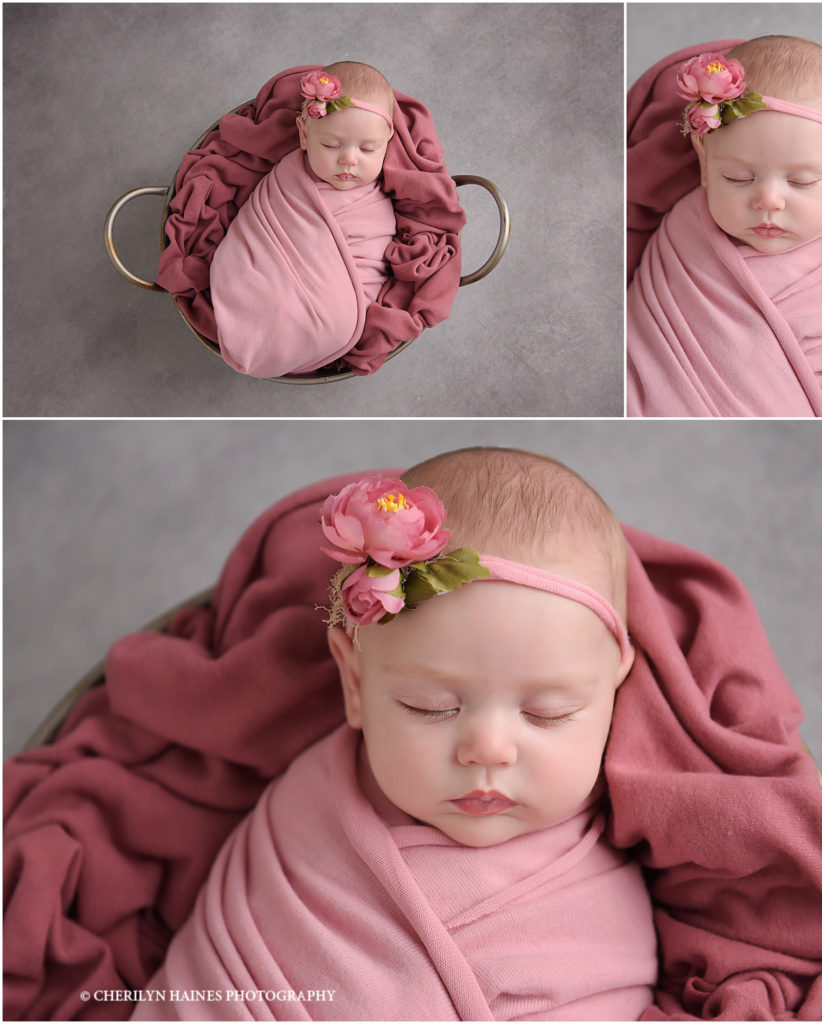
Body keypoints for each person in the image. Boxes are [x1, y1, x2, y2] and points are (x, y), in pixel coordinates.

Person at [132, 448, 660, 1020]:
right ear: (355, 682)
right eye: (429, 707)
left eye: (548, 713)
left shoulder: (598, 899)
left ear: (615, 689)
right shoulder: (305, 818)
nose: (487, 750)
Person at [627, 36, 822, 417]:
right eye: (737, 177)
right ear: (704, 163)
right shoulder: (683, 231)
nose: (768, 201)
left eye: (800, 181)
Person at [209, 62, 397, 378]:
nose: (349, 159)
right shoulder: (288, 179)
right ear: (304, 134)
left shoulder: (374, 205)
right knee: (249, 283)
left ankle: (289, 337)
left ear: (387, 140)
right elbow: (255, 232)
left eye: (368, 149)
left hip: (326, 303)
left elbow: (370, 268)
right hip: (263, 278)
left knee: (329, 318)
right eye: (331, 145)